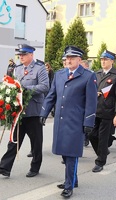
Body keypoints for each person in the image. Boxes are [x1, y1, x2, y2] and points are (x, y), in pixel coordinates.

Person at [39, 46, 97, 198]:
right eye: (67, 58)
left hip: (76, 122)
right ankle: (73, 180)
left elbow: (91, 102)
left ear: (79, 59)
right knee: (64, 152)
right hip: (60, 121)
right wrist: (43, 113)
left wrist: (89, 122)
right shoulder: (59, 74)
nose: (68, 60)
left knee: (71, 154)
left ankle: (69, 185)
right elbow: (51, 96)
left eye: (72, 58)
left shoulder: (88, 76)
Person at [0, 44, 49, 178]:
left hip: (33, 111)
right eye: (20, 55)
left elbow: (45, 87)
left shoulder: (40, 68)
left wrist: (26, 90)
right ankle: (5, 167)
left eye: (23, 55)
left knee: (36, 142)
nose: (21, 57)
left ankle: (35, 167)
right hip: (19, 112)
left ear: (31, 55)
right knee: (14, 141)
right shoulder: (17, 69)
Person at [88, 50, 116, 173]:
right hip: (95, 110)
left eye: (106, 60)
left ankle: (100, 161)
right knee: (92, 135)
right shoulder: (96, 73)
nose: (103, 62)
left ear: (112, 61)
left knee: (103, 138)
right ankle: (103, 151)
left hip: (108, 111)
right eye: (102, 59)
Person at [80, 59, 92, 147]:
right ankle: (83, 138)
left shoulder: (91, 75)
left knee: (86, 121)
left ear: (87, 67)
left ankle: (86, 138)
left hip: (87, 103)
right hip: (80, 103)